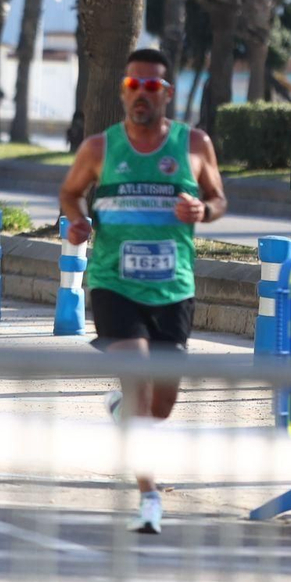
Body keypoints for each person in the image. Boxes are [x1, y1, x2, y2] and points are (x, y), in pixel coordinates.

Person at [57, 47, 227, 535]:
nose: (141, 95)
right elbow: (70, 193)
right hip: (114, 282)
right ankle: (149, 497)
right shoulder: (99, 149)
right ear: (123, 91)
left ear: (166, 94)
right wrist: (75, 222)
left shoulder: (194, 145)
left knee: (163, 402)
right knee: (140, 378)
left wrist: (204, 212)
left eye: (151, 87)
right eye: (134, 86)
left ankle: (122, 412)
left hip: (173, 285)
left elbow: (218, 199)